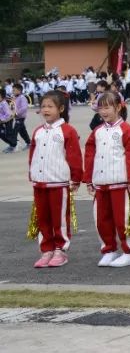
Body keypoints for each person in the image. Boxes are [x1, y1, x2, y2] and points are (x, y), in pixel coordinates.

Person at [84, 91, 130, 268]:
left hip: (120, 183)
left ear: (118, 107)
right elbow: (89, 155)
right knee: (101, 219)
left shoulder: (126, 130)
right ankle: (108, 249)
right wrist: (88, 179)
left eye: (107, 107)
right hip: (100, 183)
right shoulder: (97, 131)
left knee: (122, 219)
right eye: (100, 108)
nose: (103, 111)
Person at [28, 90, 83, 269]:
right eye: (43, 106)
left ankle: (60, 249)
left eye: (50, 106)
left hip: (59, 182)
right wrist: (32, 173)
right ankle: (46, 250)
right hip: (40, 182)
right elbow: (33, 155)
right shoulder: (38, 131)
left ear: (60, 108)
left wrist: (76, 178)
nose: (46, 110)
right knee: (42, 218)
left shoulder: (67, 131)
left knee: (59, 218)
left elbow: (74, 156)